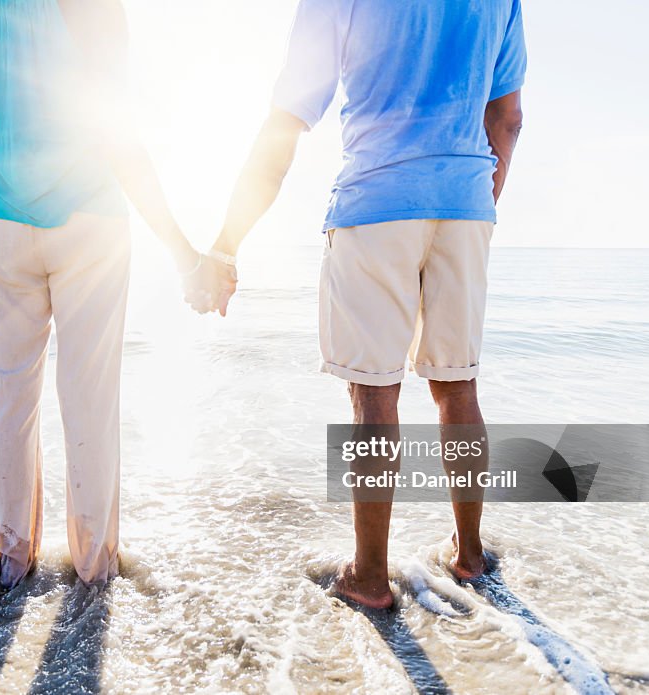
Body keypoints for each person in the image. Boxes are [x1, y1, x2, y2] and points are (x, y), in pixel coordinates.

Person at [190, 0, 526, 609]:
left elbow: (284, 125)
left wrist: (225, 243)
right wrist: (480, 192)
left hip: (376, 202)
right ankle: (470, 556)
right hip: (465, 204)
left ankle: (369, 578)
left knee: (375, 392)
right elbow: (507, 116)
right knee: (458, 385)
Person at [0, 0, 232, 588]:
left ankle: (12, 568)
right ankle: (95, 571)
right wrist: (181, 250)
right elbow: (118, 134)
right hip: (90, 220)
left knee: (8, 402)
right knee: (90, 398)